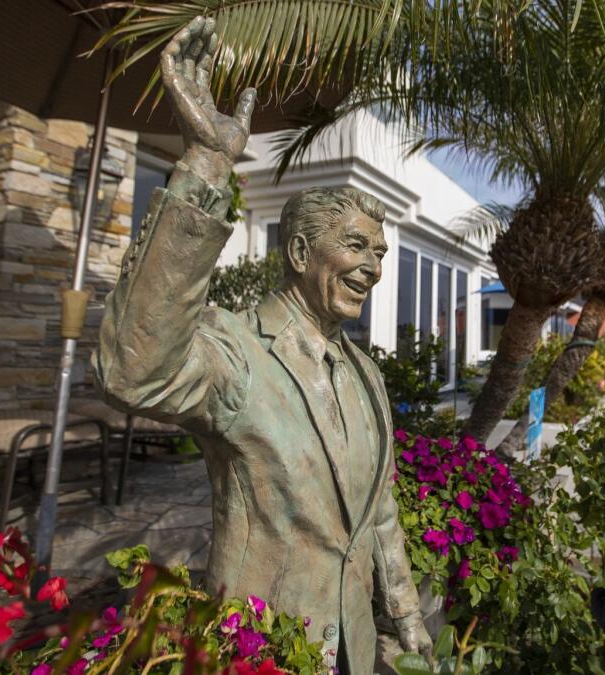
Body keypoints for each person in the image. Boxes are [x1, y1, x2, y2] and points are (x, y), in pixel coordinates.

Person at [94, 19, 428, 674]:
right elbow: (135, 371)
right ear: (301, 251)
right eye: (356, 247)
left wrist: (407, 611)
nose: (374, 268)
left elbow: (378, 512)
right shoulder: (240, 350)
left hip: (353, 651)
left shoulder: (365, 375)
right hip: (260, 648)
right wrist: (207, 165)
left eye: (381, 253)